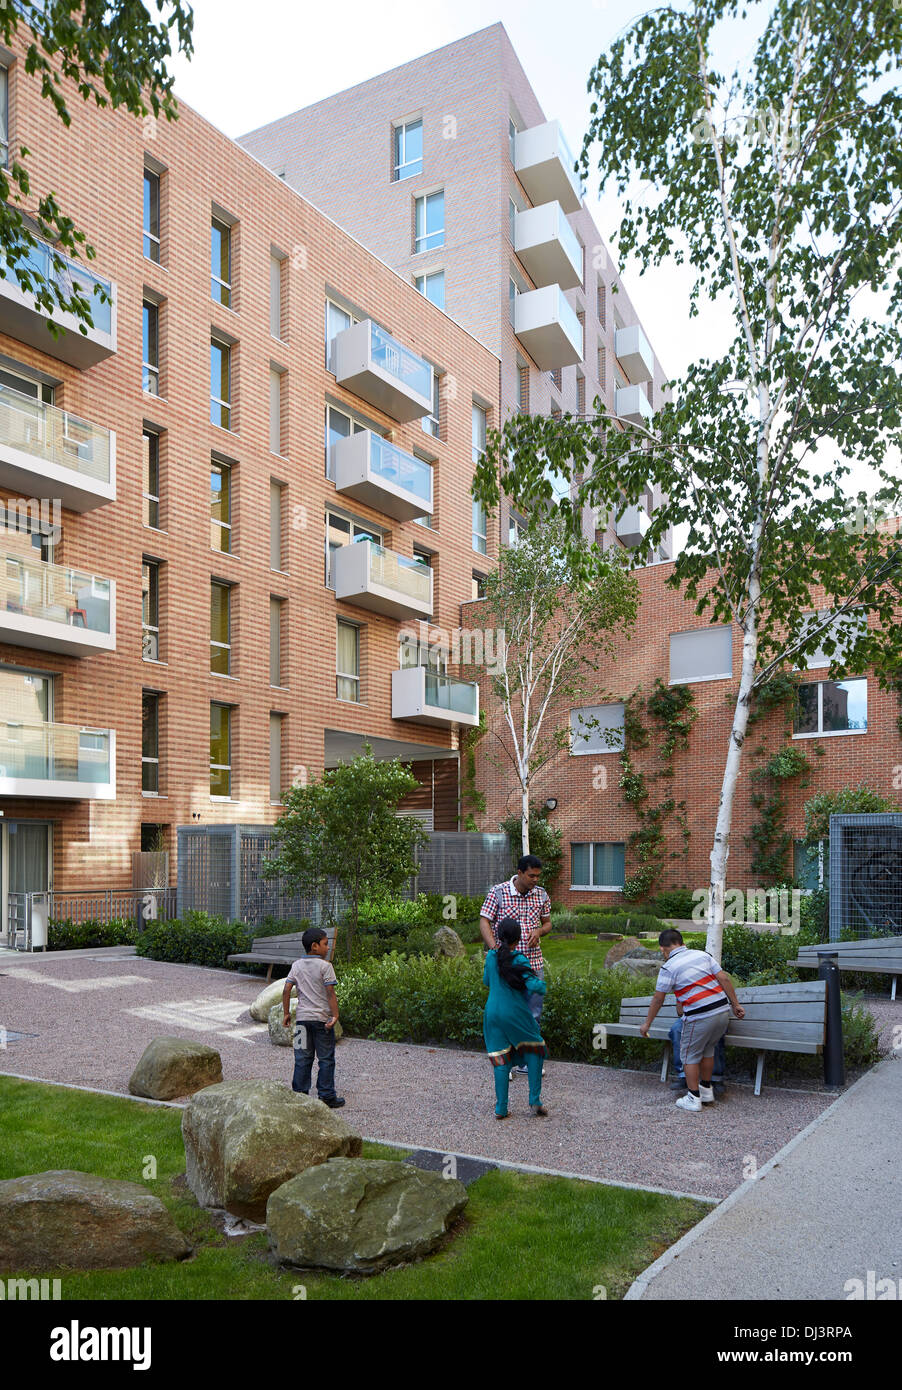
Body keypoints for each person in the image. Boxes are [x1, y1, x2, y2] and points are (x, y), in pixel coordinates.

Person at [639, 928, 745, 1112]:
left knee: (689, 1055)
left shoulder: (669, 967)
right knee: (708, 1051)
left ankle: (693, 1098)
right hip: (721, 1010)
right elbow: (723, 978)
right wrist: (735, 1005)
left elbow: (658, 998)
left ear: (663, 949)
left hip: (700, 1015)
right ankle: (706, 1090)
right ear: (681, 942)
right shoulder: (702, 955)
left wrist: (647, 1023)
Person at [480, 854, 551, 1075]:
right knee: (507, 1013)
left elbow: (548, 923)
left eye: (538, 876)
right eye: (531, 875)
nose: (535, 880)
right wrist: (494, 949)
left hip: (532, 964)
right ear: (519, 872)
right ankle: (506, 1060)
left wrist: (539, 931)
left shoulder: (541, 894)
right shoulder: (498, 892)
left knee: (533, 1013)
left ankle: (527, 1060)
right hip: (507, 966)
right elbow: (484, 920)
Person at [483, 917, 548, 1119]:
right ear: (518, 939)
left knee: (500, 1059)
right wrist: (542, 986)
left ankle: (501, 1108)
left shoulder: (491, 957)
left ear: (498, 936)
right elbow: (534, 985)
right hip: (515, 1013)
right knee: (535, 1049)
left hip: (492, 1013)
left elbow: (486, 981)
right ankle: (534, 1100)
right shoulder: (519, 959)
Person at [282, 926, 345, 1109]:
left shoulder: (296, 966)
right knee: (325, 1058)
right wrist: (335, 1015)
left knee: (302, 1058)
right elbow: (330, 992)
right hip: (322, 1022)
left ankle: (299, 1095)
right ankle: (326, 1095)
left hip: (302, 1021)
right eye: (326, 944)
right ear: (315, 946)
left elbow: (286, 989)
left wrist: (287, 1013)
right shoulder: (326, 967)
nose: (328, 947)